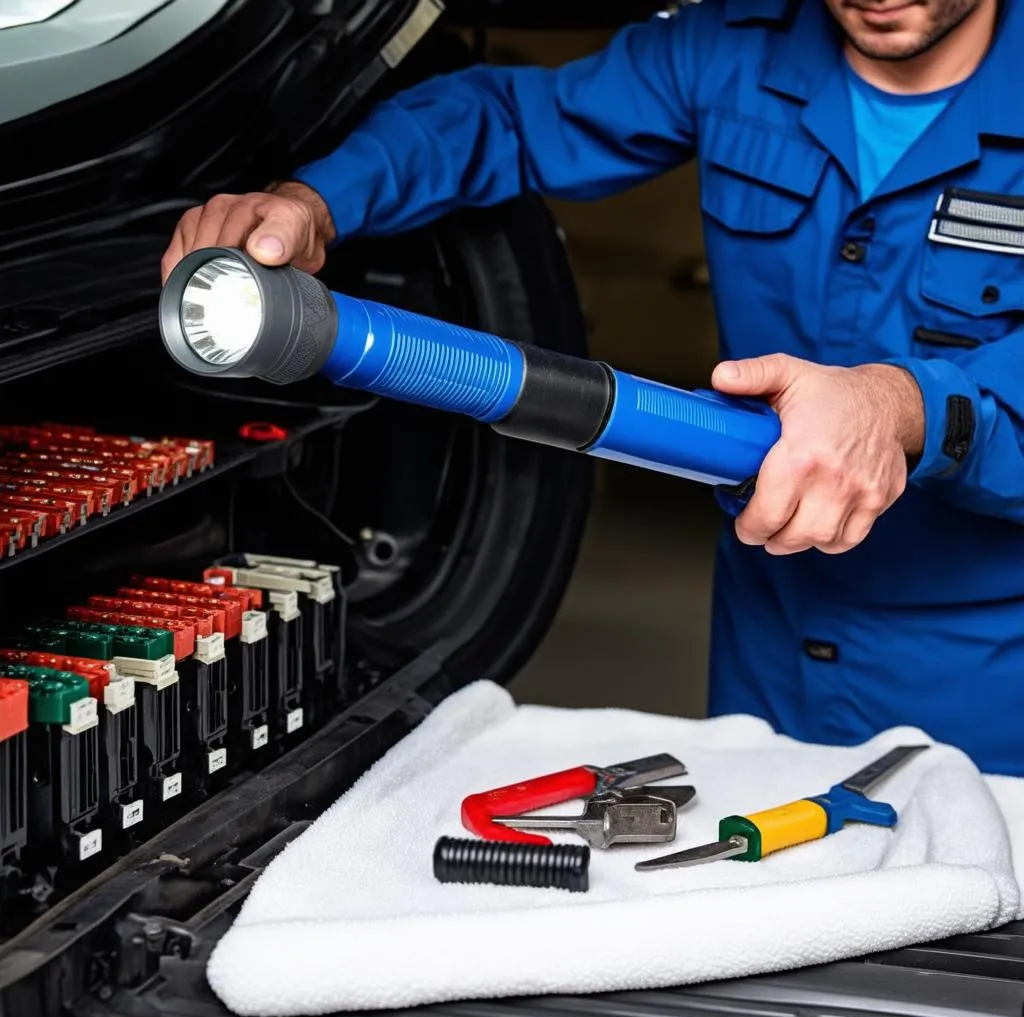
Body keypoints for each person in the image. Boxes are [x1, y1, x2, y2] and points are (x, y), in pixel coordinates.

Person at [161, 0, 1024, 776]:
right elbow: (503, 118)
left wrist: (901, 404)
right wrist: (316, 201)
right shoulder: (726, 48)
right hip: (777, 632)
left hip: (983, 658)